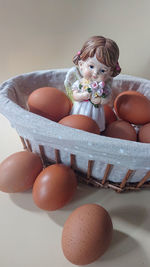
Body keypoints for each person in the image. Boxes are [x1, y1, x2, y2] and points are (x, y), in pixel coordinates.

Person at [64, 36, 121, 132]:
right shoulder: (80, 83)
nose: (95, 73)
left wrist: (100, 100)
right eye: (91, 66)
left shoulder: (104, 86)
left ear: (110, 72)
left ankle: (95, 131)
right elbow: (75, 96)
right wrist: (82, 95)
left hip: (96, 112)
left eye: (103, 70)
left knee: (93, 128)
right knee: (77, 125)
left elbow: (107, 98)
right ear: (81, 65)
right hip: (80, 110)